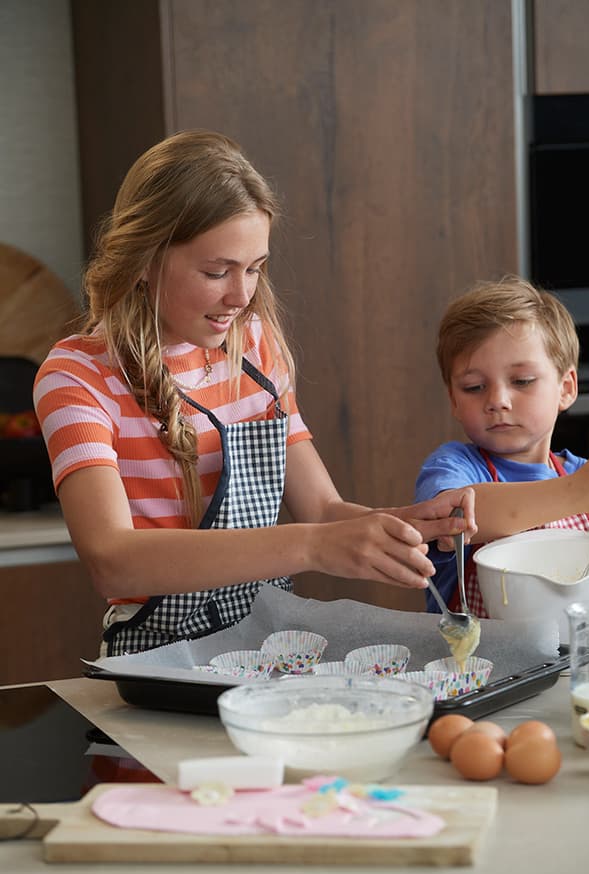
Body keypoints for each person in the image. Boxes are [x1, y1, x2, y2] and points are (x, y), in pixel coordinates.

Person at [33, 129, 476, 657]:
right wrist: (312, 547)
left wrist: (406, 525)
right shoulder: (77, 375)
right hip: (154, 661)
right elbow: (113, 558)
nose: (241, 297)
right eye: (216, 271)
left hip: (264, 649)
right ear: (145, 260)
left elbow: (322, 510)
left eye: (255, 269)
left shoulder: (256, 348)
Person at [414, 274, 589, 617]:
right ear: (453, 400)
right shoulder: (453, 467)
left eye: (522, 381)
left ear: (567, 388)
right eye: (474, 387)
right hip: (476, 666)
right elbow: (453, 516)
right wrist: (578, 491)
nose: (497, 400)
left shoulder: (580, 475)